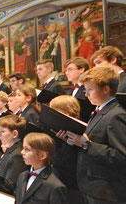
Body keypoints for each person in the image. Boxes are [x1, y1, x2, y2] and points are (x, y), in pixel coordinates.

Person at [61, 66, 126, 203]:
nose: (86, 94)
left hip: (106, 190)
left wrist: (85, 144)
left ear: (106, 89)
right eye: (85, 90)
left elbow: (121, 155)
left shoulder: (116, 115)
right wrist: (73, 140)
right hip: (91, 187)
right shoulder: (99, 111)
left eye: (90, 89)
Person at [15, 133, 68, 204]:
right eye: (23, 148)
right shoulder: (22, 176)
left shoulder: (54, 186)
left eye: (27, 149)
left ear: (42, 156)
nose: (22, 152)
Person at [0, 115, 28, 195]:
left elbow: (10, 186)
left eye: (2, 131)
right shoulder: (12, 150)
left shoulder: (17, 155)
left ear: (15, 134)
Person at [64, 57, 94, 122]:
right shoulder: (70, 91)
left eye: (70, 70)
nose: (67, 73)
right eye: (66, 70)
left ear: (81, 70)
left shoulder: (89, 88)